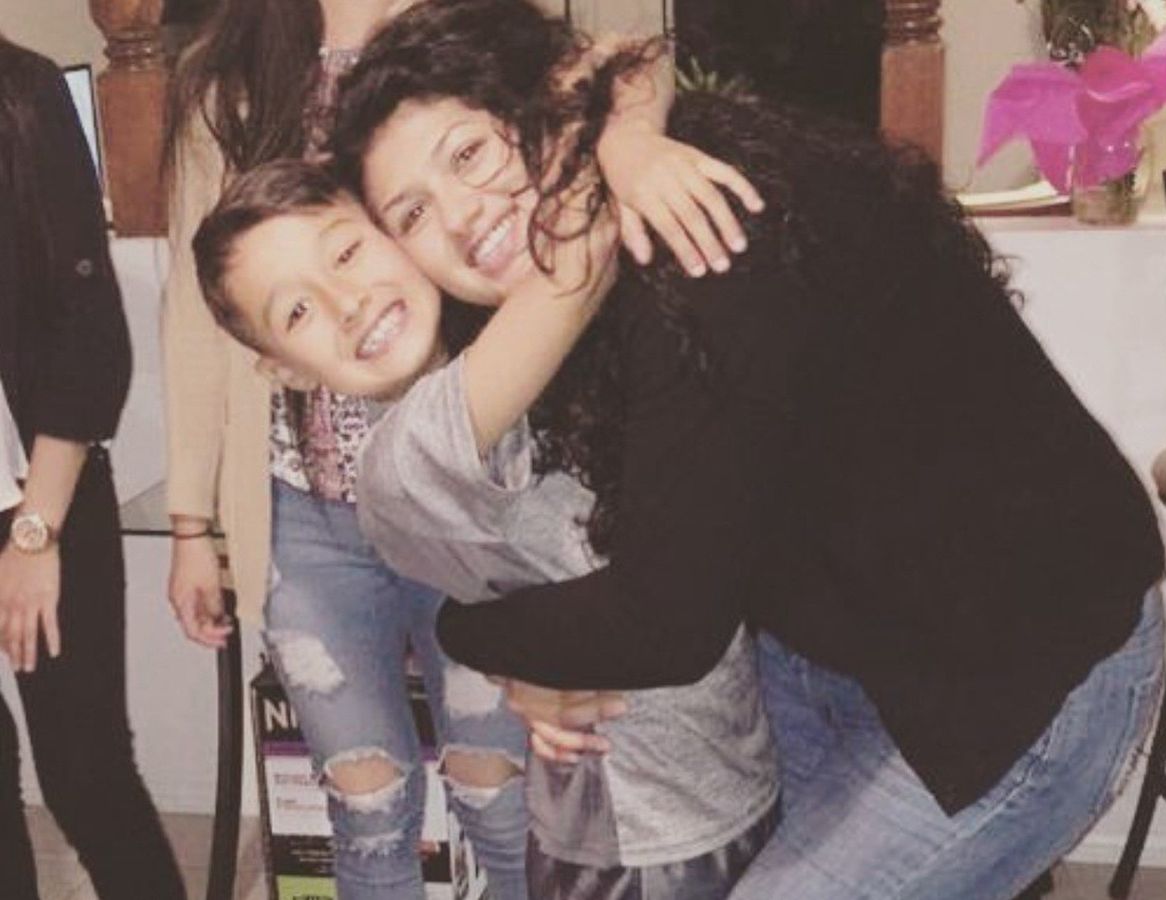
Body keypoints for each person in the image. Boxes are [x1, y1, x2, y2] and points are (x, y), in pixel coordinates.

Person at [318, 1, 1166, 897]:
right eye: (412, 212)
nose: (460, 216)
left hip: (1028, 672)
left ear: (543, 108)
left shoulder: (705, 235)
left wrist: (464, 634)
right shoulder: (573, 274)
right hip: (840, 652)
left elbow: (664, 625)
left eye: (468, 154)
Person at [163, 0, 763, 895]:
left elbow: (623, 64)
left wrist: (628, 144)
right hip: (312, 513)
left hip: (489, 497)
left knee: (504, 796)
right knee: (365, 812)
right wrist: (190, 519)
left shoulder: (462, 29)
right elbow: (196, 314)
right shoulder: (229, 81)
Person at [0, 36, 185, 900]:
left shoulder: (22, 94)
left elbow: (88, 329)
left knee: (86, 774)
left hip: (39, 490)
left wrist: (36, 533)